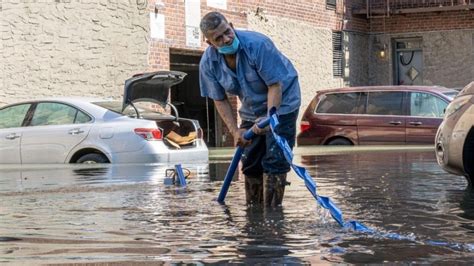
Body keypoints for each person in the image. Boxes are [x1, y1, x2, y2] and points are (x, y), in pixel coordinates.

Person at [199, 11, 301, 207]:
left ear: (231, 25)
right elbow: (219, 99)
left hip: (283, 101)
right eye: (218, 38)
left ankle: (272, 214)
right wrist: (235, 131)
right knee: (250, 161)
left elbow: (275, 86)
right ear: (209, 43)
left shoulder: (258, 45)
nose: (227, 39)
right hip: (251, 107)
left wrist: (270, 120)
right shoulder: (208, 63)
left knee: (275, 158)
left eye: (227, 32)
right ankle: (253, 214)